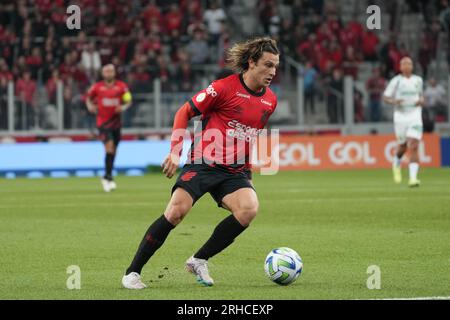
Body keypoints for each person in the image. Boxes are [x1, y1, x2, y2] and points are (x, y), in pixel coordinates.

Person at [122, 37, 279, 290]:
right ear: (251, 63)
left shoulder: (270, 100)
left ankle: (199, 259)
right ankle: (132, 273)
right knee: (175, 212)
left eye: (275, 67)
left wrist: (247, 173)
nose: (272, 72)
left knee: (249, 209)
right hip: (203, 163)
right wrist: (175, 152)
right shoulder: (222, 88)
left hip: (234, 170)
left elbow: (252, 135)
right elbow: (184, 112)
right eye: (268, 65)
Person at [85, 64, 132, 192]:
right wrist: (90, 106)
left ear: (114, 72)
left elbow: (128, 100)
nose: (109, 73)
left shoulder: (121, 86)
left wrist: (122, 107)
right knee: (109, 147)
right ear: (103, 73)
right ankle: (108, 177)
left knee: (114, 151)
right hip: (103, 123)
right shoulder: (97, 87)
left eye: (111, 71)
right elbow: (88, 99)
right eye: (106, 71)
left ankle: (108, 175)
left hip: (116, 123)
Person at [383, 57, 424, 187]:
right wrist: (394, 101)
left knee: (414, 145)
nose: (407, 65)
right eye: (404, 64)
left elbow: (421, 95)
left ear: (412, 66)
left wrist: (421, 101)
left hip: (415, 115)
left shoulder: (418, 80)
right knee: (403, 146)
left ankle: (413, 178)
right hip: (400, 116)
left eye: (409, 63)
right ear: (400, 67)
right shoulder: (396, 81)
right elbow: (385, 97)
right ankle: (396, 161)